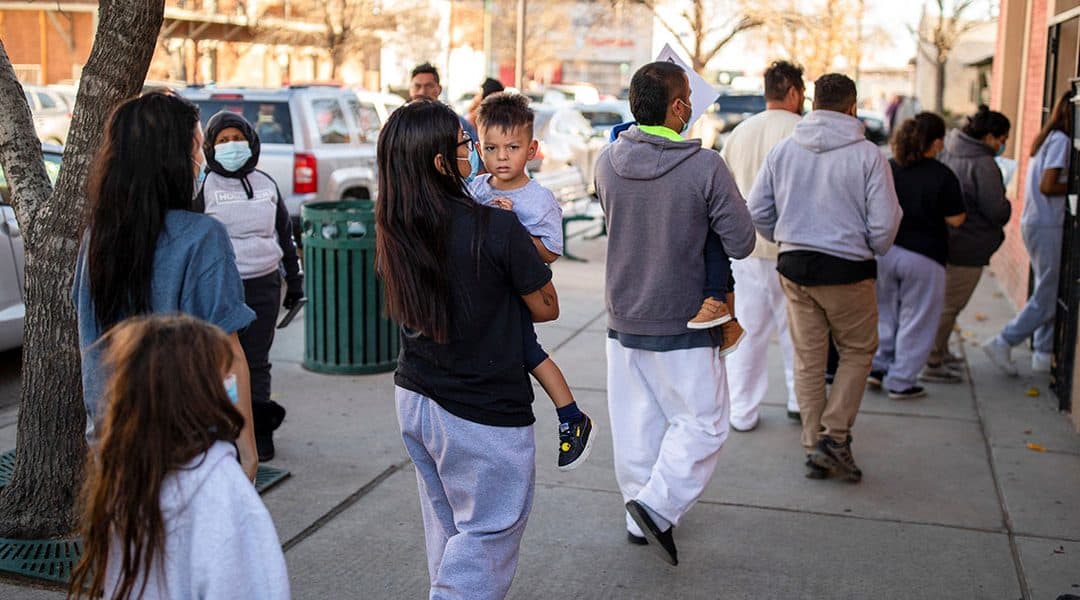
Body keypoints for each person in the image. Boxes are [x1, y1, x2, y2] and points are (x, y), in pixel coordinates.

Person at [376, 100, 559, 597]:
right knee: (487, 535)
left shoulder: (396, 224)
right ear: (442, 162)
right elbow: (546, 307)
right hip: (480, 414)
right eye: (466, 147)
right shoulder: (497, 227)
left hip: (416, 399)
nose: (475, 155)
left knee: (450, 530)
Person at [595, 61, 756, 566]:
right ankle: (657, 505)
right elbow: (743, 241)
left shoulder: (606, 162)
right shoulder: (705, 166)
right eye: (688, 95)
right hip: (684, 318)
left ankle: (636, 519)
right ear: (681, 107)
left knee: (636, 424)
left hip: (623, 317)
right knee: (705, 423)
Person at [73, 92, 259, 481]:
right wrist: (247, 453)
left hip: (111, 446)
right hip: (188, 451)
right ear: (172, 158)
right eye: (195, 147)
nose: (200, 161)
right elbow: (229, 356)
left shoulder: (98, 239)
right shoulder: (203, 237)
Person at [68, 315, 290, 600]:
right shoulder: (226, 493)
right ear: (200, 394)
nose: (230, 384)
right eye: (224, 376)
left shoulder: (127, 479)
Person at [748, 73, 902, 483]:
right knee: (857, 351)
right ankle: (835, 436)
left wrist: (787, 237)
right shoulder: (868, 156)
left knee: (808, 359)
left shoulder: (785, 150)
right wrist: (869, 245)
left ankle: (815, 442)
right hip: (848, 269)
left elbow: (757, 210)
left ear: (813, 103)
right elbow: (885, 226)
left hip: (796, 266)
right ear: (853, 106)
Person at [469, 92, 594, 470]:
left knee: (529, 351)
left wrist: (513, 230)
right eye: (491, 148)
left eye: (512, 147)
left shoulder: (538, 199)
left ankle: (571, 416)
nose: (502, 157)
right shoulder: (476, 189)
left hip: (516, 294)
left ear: (532, 148)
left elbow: (551, 251)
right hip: (482, 292)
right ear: (478, 148)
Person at [196, 111, 304, 462]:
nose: (231, 146)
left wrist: (295, 280)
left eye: (237, 139)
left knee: (256, 362)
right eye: (223, 141)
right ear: (211, 146)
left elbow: (285, 235)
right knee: (221, 362)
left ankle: (258, 433)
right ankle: (225, 432)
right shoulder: (202, 187)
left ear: (251, 142)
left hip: (264, 286)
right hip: (221, 288)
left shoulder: (266, 183)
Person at [719, 60, 806, 432]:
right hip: (793, 247)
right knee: (798, 331)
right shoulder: (804, 132)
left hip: (747, 249)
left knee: (749, 333)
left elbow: (721, 192)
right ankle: (798, 400)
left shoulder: (740, 133)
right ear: (793, 92)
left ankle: (743, 410)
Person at [868, 113, 966, 399]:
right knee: (917, 319)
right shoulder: (943, 175)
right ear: (935, 142)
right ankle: (901, 381)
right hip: (925, 255)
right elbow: (957, 219)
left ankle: (877, 367)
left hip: (885, 252)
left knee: (885, 313)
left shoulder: (888, 167)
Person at [984, 91, 1074, 375]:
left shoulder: (1049, 137)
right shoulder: (1061, 140)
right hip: (1048, 223)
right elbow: (1049, 185)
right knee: (1047, 294)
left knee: (1048, 289)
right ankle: (1004, 341)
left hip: (1037, 221)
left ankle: (1043, 355)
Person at [927, 106, 1012, 378]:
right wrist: (1007, 204)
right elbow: (996, 209)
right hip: (971, 243)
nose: (1002, 145)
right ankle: (932, 360)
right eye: (1001, 139)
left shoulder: (950, 149)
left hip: (946, 238)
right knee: (951, 305)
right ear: (989, 136)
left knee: (945, 301)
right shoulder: (984, 164)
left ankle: (941, 352)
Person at [409, 62, 478, 142]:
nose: (422, 92)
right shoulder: (398, 123)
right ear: (410, 88)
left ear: (439, 89)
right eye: (417, 86)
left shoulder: (457, 123)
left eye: (428, 86)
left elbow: (474, 149)